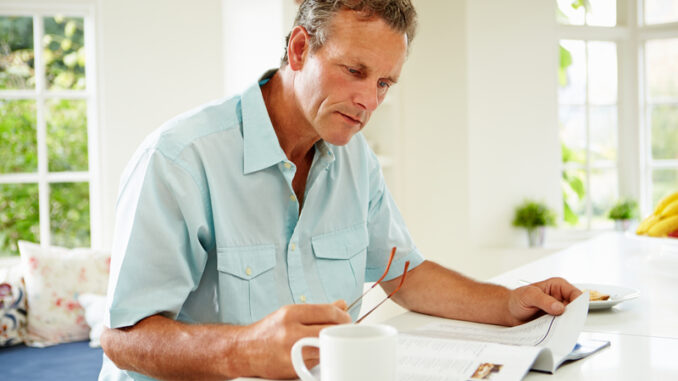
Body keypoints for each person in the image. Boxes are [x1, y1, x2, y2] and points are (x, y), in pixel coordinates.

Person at [100, 1, 582, 380]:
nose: (369, 101)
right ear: (298, 49)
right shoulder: (180, 159)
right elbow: (122, 339)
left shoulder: (353, 155)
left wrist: (504, 302)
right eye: (355, 71)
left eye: (385, 83)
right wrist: (244, 350)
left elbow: (404, 274)